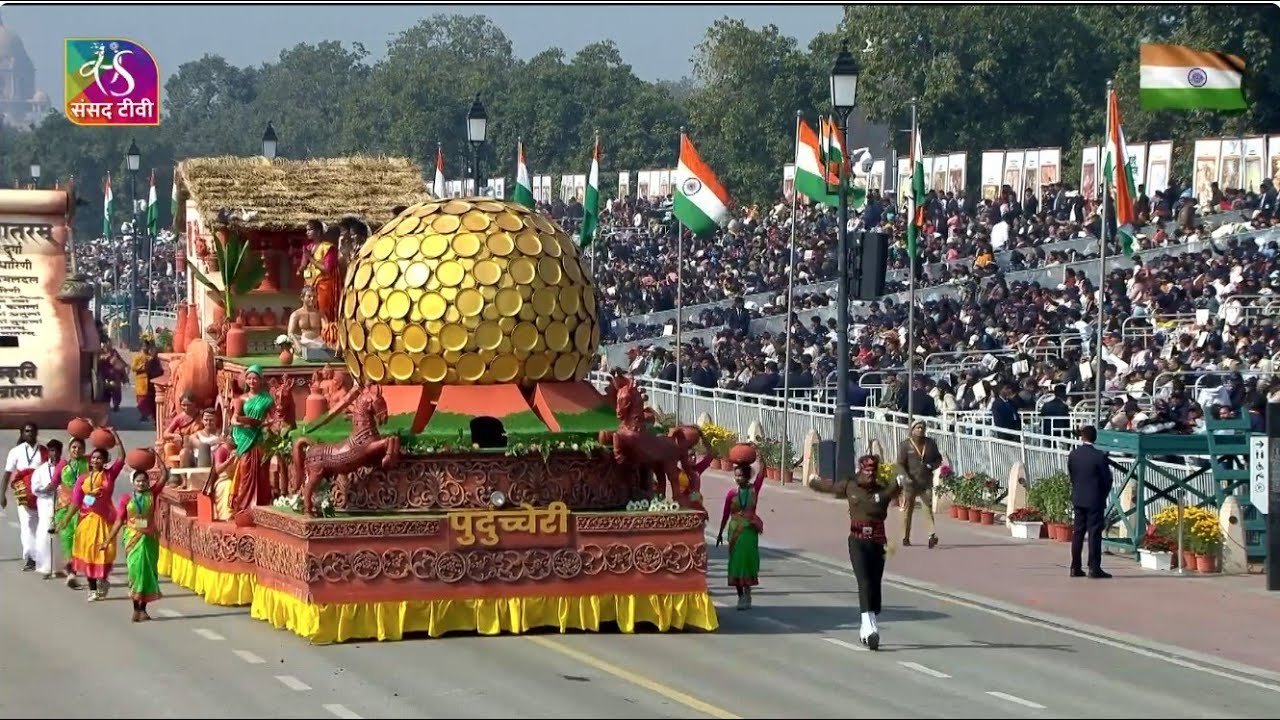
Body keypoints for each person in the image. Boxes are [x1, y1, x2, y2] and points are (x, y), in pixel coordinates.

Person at [834, 454, 904, 651]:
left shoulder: (882, 488)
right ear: (860, 469)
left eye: (873, 470)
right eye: (866, 469)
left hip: (878, 541)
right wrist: (814, 482)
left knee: (875, 586)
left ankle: (867, 625)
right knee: (863, 581)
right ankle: (869, 627)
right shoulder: (851, 485)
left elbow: (894, 491)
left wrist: (899, 482)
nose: (870, 473)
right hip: (857, 541)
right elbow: (831, 488)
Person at [100, 457, 171, 622]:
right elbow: (119, 520)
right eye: (138, 481)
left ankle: (143, 610)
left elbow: (164, 476)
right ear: (133, 482)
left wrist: (156, 457)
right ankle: (135, 609)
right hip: (133, 539)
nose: (141, 484)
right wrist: (108, 540)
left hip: (149, 539)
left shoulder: (152, 494)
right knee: (135, 572)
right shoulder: (126, 499)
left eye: (144, 481)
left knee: (147, 574)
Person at [63, 431, 126, 601]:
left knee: (105, 554)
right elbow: (76, 503)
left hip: (105, 521)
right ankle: (91, 589)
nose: (95, 460)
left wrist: (115, 436)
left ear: (105, 461)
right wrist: (65, 520)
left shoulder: (109, 475)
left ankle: (103, 581)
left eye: (99, 458)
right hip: (87, 522)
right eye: (93, 458)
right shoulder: (82, 479)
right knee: (88, 554)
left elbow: (122, 458)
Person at [225, 366, 275, 522]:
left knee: (261, 472)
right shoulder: (242, 399)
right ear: (246, 380)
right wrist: (239, 424)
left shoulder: (267, 399)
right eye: (249, 378)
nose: (252, 381)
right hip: (245, 438)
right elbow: (234, 418)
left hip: (259, 439)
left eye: (255, 378)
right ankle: (242, 507)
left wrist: (265, 424)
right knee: (245, 471)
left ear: (260, 380)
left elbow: (274, 418)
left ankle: (261, 505)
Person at [715, 458, 765, 611]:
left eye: (741, 476)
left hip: (749, 531)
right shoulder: (731, 494)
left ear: (747, 476)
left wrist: (761, 457)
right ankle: (740, 596)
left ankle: (747, 594)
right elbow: (725, 514)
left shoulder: (754, 490)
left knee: (747, 562)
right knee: (735, 564)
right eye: (736, 476)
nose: (738, 479)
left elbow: (762, 475)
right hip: (735, 530)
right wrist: (720, 533)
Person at [1067, 425, 1113, 579]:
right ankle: (1094, 567)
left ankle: (1075, 566)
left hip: (1079, 497)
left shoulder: (1074, 454)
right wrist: (1103, 495)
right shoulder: (1099, 456)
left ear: (1082, 437)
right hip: (1095, 499)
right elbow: (1107, 480)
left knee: (1078, 533)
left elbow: (1072, 475)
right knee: (1094, 533)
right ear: (1095, 438)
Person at [3, 422, 48, 571]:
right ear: (22, 433)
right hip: (22, 491)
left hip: (40, 491)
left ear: (36, 433)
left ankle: (41, 556)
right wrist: (1, 494)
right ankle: (30, 557)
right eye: (27, 431)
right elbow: (7, 474)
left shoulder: (44, 451)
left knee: (41, 525)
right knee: (27, 525)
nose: (30, 433)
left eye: (32, 431)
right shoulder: (15, 452)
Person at [896, 420, 942, 548]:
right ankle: (905, 536)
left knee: (927, 508)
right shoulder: (905, 445)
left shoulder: (930, 443)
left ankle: (931, 535)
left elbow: (938, 459)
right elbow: (900, 463)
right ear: (912, 429)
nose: (920, 430)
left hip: (925, 482)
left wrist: (931, 466)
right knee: (907, 511)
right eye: (917, 427)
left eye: (922, 428)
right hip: (910, 483)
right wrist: (905, 476)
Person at [53, 437, 89, 586]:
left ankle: (74, 569)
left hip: (82, 507)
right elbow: (55, 482)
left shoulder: (88, 464)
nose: (77, 450)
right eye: (74, 447)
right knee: (67, 537)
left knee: (79, 538)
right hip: (64, 507)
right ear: (69, 449)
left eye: (80, 448)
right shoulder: (63, 464)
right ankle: (71, 570)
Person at [29, 439, 64, 578]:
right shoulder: (41, 470)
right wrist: (48, 489)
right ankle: (46, 567)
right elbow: (34, 489)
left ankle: (59, 567)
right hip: (46, 505)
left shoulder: (66, 467)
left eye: (57, 450)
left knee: (60, 537)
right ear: (48, 452)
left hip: (62, 505)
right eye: (52, 450)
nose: (54, 454)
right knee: (45, 536)